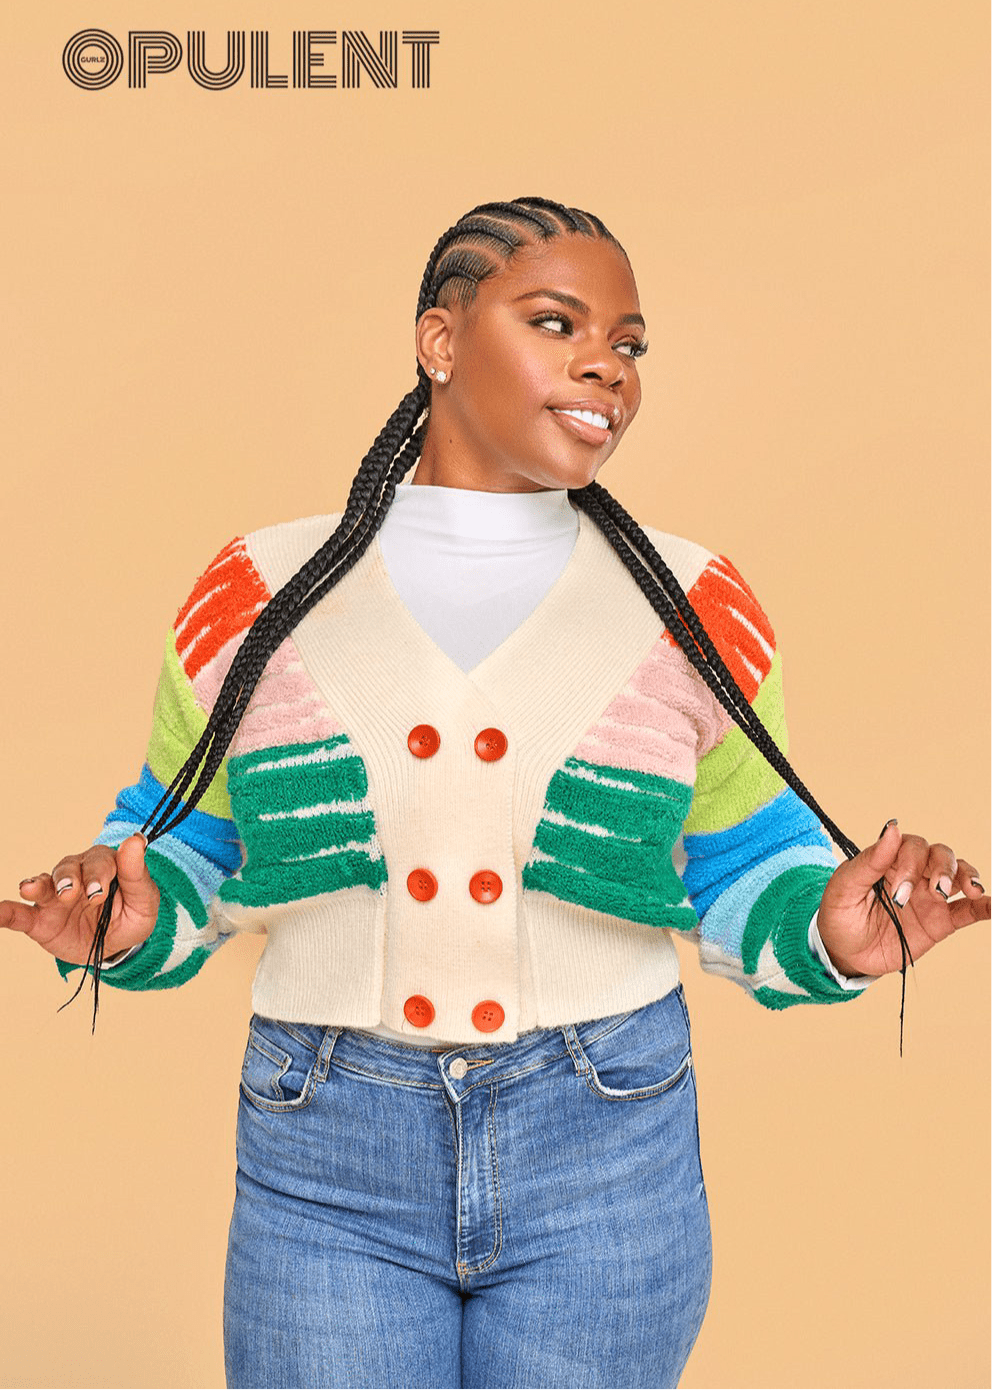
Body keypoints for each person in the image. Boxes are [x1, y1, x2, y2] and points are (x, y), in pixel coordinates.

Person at [1, 195, 987, 1390]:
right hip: (325, 1152)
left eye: (625, 344)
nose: (603, 368)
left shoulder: (698, 607)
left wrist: (827, 929)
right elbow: (183, 848)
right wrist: (124, 912)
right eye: (555, 321)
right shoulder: (251, 592)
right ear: (439, 340)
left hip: (607, 1140)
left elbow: (744, 867)